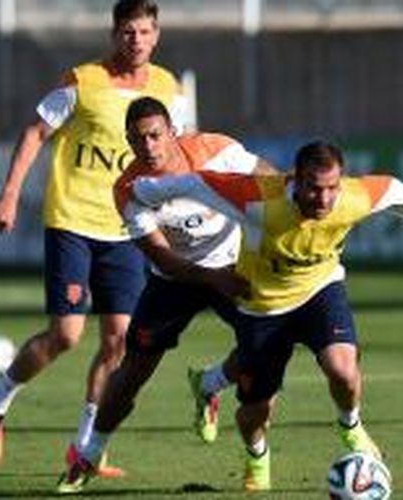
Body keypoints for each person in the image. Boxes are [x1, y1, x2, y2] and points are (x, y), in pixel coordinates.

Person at [114, 139, 403, 491]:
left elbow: (395, 190)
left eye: (332, 188)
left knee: (343, 370)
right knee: (256, 411)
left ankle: (350, 426)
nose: (325, 199)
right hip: (263, 308)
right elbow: (197, 182)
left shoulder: (352, 198)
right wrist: (146, 189)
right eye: (314, 189)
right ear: (295, 180)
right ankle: (256, 453)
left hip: (320, 291)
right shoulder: (257, 198)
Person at [0, 0, 190, 476]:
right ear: (115, 34)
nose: (136, 40)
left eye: (145, 32)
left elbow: (175, 151)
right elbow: (35, 133)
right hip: (72, 219)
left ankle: (87, 446)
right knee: (67, 335)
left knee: (118, 341)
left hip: (126, 226)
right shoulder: (83, 80)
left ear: (156, 36)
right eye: (128, 32)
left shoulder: (168, 88)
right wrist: (10, 194)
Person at [55, 96, 278, 493]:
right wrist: (213, 278)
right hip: (173, 280)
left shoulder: (216, 150)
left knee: (265, 355)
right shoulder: (129, 188)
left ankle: (247, 442)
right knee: (132, 372)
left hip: (234, 265)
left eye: (156, 135)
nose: (149, 147)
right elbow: (162, 255)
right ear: (127, 140)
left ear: (173, 131)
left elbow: (271, 181)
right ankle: (88, 456)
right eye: (138, 140)